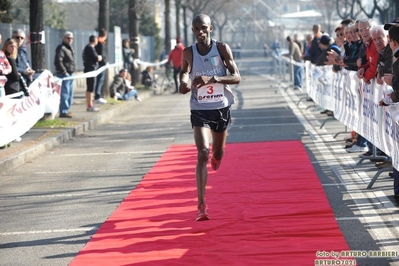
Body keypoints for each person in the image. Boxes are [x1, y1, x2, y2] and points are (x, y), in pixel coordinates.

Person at [179, 14, 241, 221]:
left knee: (218, 152)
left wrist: (212, 78)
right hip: (199, 107)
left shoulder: (222, 48)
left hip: (220, 107)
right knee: (202, 153)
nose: (199, 32)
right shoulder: (188, 52)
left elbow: (236, 77)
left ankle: (218, 155)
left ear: (211, 28)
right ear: (193, 30)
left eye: (203, 28)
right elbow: (184, 72)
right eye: (196, 29)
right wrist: (183, 83)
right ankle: (201, 205)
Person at [54, 31, 76, 118]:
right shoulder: (61, 48)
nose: (70, 40)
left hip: (70, 73)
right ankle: (63, 111)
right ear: (63, 38)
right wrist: (64, 72)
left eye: (71, 38)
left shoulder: (69, 48)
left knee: (70, 93)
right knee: (65, 93)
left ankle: (66, 110)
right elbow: (58, 61)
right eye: (68, 38)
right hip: (64, 74)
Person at [83, 35, 102, 112]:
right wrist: (99, 57)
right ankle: (90, 105)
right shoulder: (90, 48)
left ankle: (90, 105)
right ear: (95, 41)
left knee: (90, 87)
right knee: (90, 88)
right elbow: (96, 57)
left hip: (89, 69)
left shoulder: (87, 47)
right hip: (91, 69)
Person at [94, 28, 107, 104]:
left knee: (100, 81)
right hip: (101, 65)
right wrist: (105, 62)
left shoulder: (98, 42)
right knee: (100, 81)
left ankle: (98, 95)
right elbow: (102, 55)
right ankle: (98, 96)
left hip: (100, 64)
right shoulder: (101, 43)